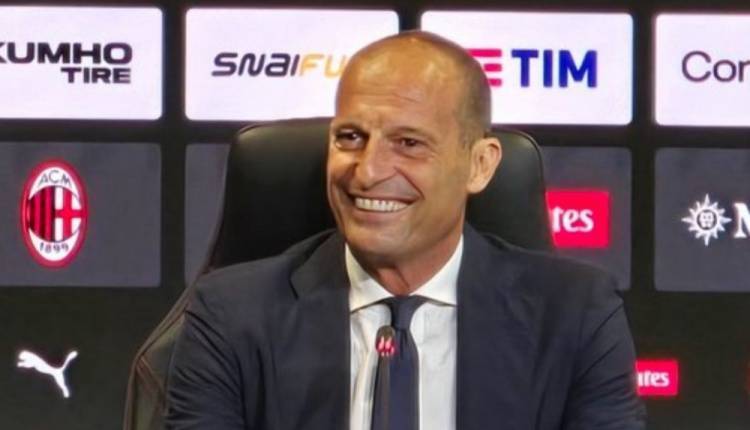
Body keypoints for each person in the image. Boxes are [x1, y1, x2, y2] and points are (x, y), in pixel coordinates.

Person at [166, 31, 645, 429]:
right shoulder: (231, 317)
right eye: (350, 137)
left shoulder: (576, 316)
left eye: (409, 143)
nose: (368, 171)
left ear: (479, 165)